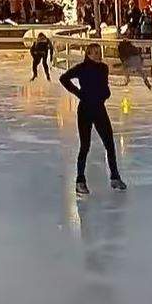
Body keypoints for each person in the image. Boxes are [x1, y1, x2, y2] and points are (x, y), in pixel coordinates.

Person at [59, 43, 127, 195]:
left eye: (99, 52)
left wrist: (106, 93)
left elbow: (103, 86)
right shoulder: (82, 68)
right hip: (85, 110)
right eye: (94, 52)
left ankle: (115, 177)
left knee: (109, 143)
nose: (98, 54)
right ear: (88, 54)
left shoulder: (103, 68)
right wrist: (78, 93)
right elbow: (64, 78)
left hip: (99, 109)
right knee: (85, 145)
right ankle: (80, 180)